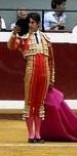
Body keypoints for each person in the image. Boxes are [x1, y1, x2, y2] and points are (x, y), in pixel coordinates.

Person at [7, 12, 55, 143]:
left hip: (44, 73)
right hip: (31, 71)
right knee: (29, 103)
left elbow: (51, 60)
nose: (30, 24)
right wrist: (13, 33)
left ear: (38, 23)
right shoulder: (23, 38)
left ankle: (38, 135)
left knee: (39, 105)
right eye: (29, 22)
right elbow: (11, 46)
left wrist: (52, 78)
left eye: (33, 22)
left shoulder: (46, 38)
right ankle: (31, 135)